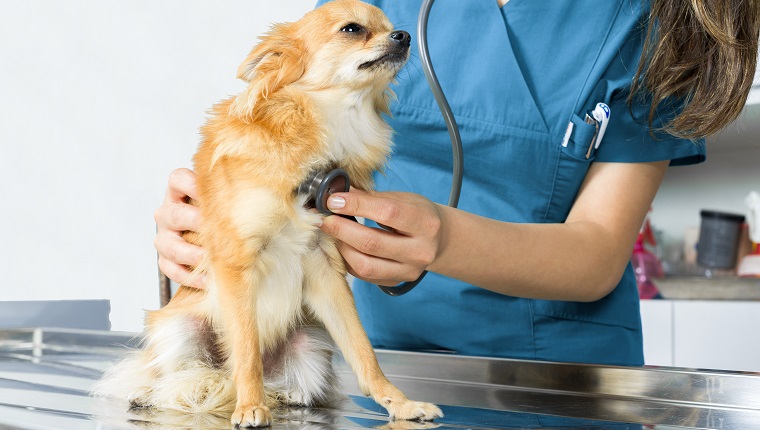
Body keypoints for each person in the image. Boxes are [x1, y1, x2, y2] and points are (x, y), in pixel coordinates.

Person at [154, 0, 760, 366]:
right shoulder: (364, 11)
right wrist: (204, 224)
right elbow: (284, 145)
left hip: (550, 386)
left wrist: (439, 239)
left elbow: (598, 250)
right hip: (369, 367)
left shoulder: (655, 22)